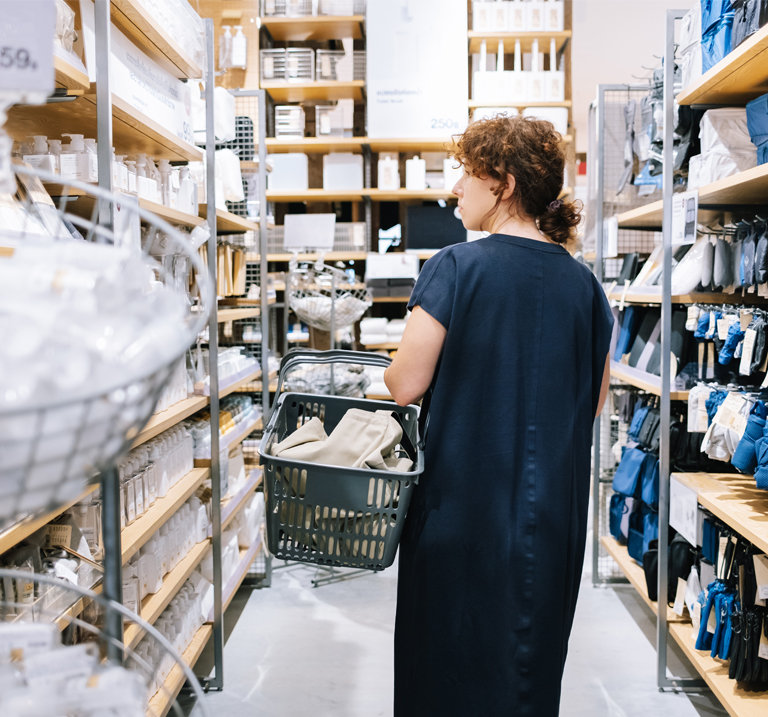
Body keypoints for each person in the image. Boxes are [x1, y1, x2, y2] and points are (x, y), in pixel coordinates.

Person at [384, 115, 613, 716]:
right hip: (549, 522)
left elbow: (405, 384)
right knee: (526, 672)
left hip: (461, 514)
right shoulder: (585, 288)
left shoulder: (455, 267)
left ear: (503, 184)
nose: (456, 187)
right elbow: (592, 403)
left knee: (445, 669)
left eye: (467, 173)